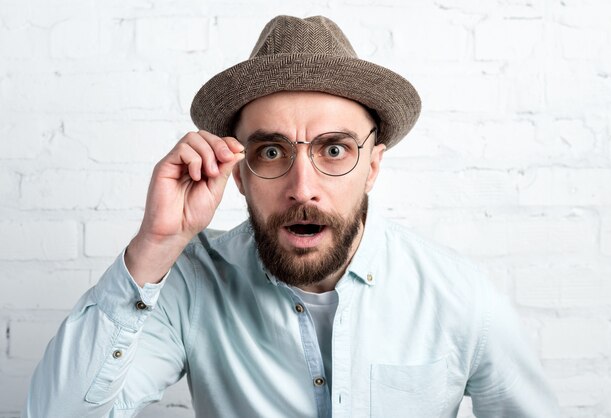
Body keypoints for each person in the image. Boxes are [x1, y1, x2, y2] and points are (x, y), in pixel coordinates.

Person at [23, 15, 559, 418]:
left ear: (372, 167)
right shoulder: (191, 284)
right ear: (237, 173)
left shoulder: (459, 295)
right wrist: (154, 246)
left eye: (333, 150)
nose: (303, 189)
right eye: (273, 152)